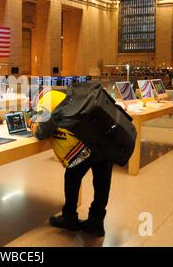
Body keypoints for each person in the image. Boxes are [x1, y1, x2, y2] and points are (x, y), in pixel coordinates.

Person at [29, 89, 113, 237]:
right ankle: (96, 222)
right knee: (102, 183)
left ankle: (69, 218)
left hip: (85, 147)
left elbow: (42, 132)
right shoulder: (64, 96)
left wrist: (33, 124)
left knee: (72, 177)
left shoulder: (45, 102)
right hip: (106, 141)